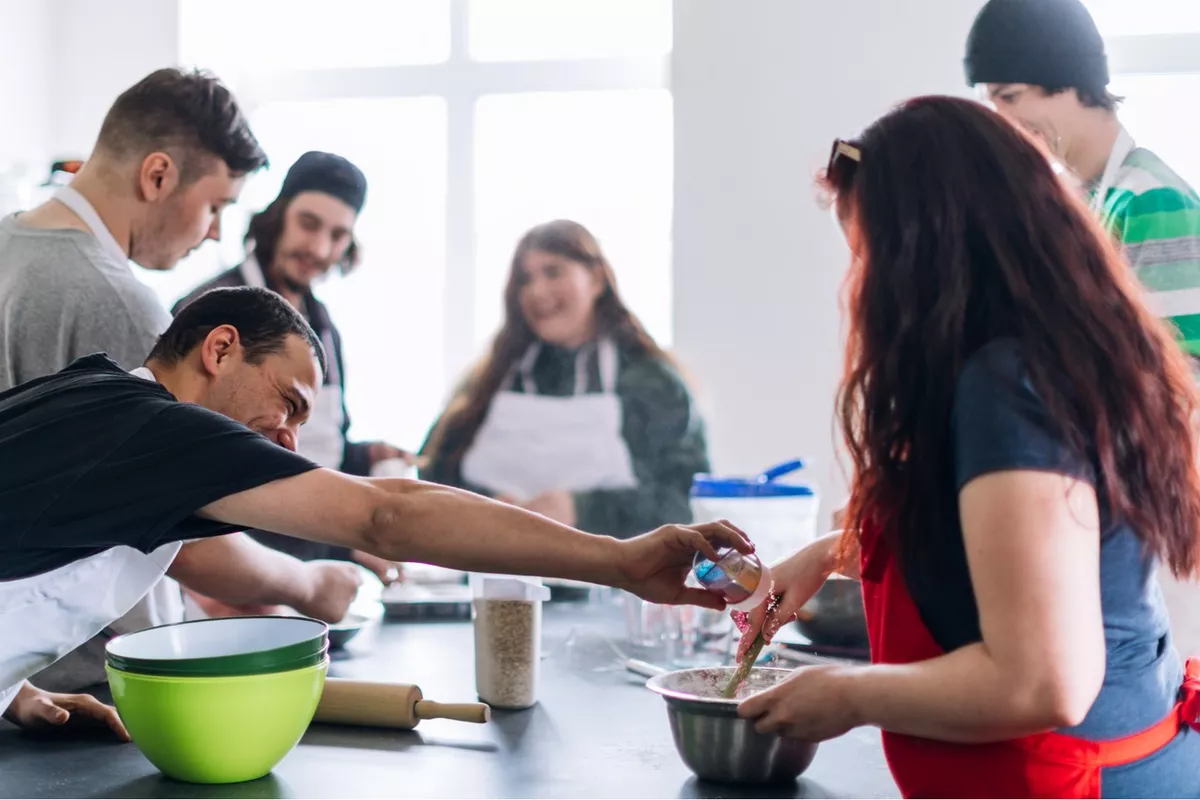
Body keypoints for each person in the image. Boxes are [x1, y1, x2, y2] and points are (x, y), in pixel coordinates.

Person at [0, 285, 748, 739]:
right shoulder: (170, 434)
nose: (289, 438)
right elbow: (387, 517)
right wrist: (619, 560)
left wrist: (13, 690)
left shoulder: (93, 390)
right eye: (289, 402)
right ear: (221, 349)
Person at [734, 97, 1200, 797]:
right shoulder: (1033, 359)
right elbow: (999, 543)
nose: (861, 289)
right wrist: (826, 555)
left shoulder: (1010, 387)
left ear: (932, 255)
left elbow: (1045, 681)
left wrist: (849, 694)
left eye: (870, 259)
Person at [0, 67, 361, 693]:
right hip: (90, 683)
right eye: (216, 205)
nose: (216, 229)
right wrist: (308, 583)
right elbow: (182, 520)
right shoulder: (118, 302)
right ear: (158, 175)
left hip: (19, 688)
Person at [175, 151, 408, 584]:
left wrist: (366, 455)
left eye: (338, 235)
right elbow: (198, 467)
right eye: (308, 224)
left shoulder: (324, 327)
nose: (319, 249)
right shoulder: (211, 310)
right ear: (278, 215)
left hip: (311, 563)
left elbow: (311, 447)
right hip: (233, 572)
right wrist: (343, 546)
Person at [420, 220, 709, 538]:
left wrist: (582, 509)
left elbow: (685, 499)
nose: (537, 291)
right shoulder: (491, 379)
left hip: (609, 570)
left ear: (596, 279)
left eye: (553, 272)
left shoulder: (651, 382)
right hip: (493, 564)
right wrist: (485, 504)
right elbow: (432, 474)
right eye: (525, 279)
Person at [965, 0, 1200, 357]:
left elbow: (1184, 371)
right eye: (991, 103)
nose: (999, 119)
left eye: (1010, 96)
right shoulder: (1065, 200)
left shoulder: (1149, 198)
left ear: (1067, 82)